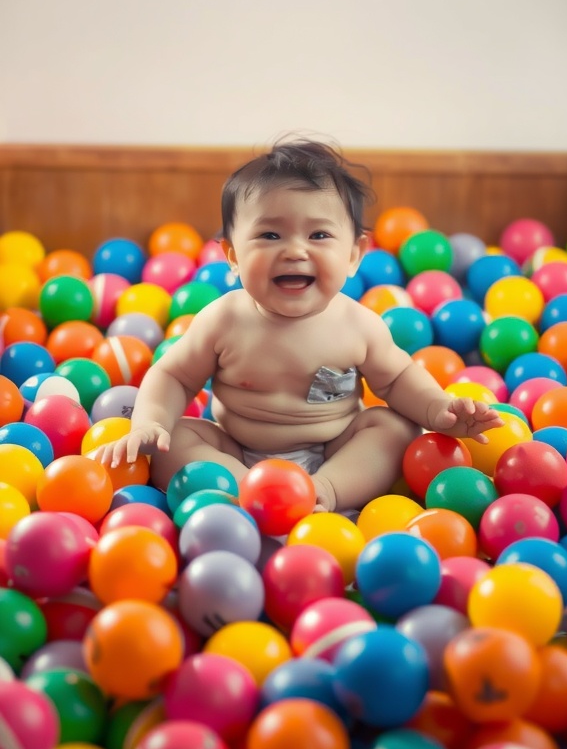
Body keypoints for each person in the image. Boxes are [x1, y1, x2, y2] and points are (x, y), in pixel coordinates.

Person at [91, 138, 503, 512]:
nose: (294, 251)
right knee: (173, 441)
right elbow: (175, 377)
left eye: (320, 234)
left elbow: (397, 381)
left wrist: (437, 409)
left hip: (334, 448)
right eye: (270, 235)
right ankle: (247, 490)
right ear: (232, 255)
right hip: (234, 449)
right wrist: (150, 422)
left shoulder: (358, 325)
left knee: (393, 426)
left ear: (354, 254)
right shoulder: (223, 319)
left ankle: (328, 490)